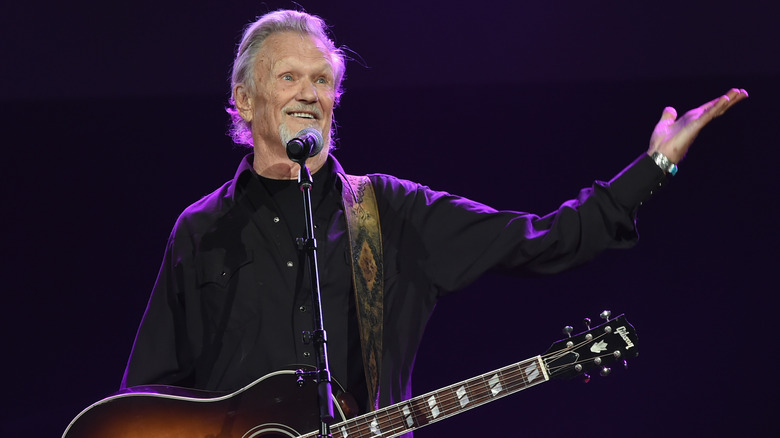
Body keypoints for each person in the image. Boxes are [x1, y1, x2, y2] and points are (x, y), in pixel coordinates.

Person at [120, 8, 747, 435]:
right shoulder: (202, 230)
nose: (310, 93)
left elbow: (542, 240)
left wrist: (655, 164)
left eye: (323, 80)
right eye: (289, 77)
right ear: (244, 100)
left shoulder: (390, 211)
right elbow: (143, 405)